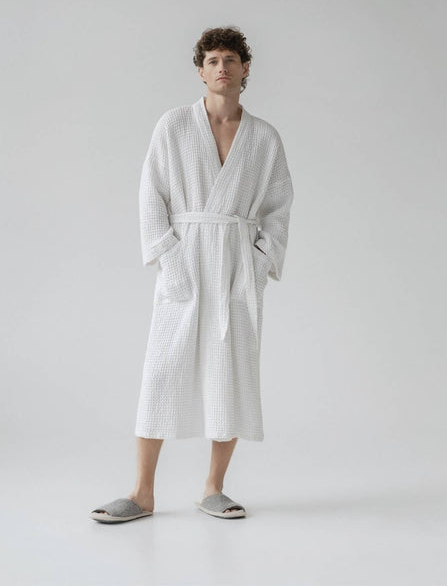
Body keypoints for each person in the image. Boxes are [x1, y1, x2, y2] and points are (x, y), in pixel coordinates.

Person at [90, 26, 294, 523]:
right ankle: (142, 493)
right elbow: (151, 195)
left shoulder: (264, 138)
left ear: (245, 69)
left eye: (231, 59)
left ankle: (213, 488)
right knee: (161, 372)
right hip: (185, 258)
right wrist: (169, 257)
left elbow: (278, 206)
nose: (222, 67)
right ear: (201, 71)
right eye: (213, 60)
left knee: (232, 372)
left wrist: (259, 261)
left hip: (236, 265)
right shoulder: (174, 126)